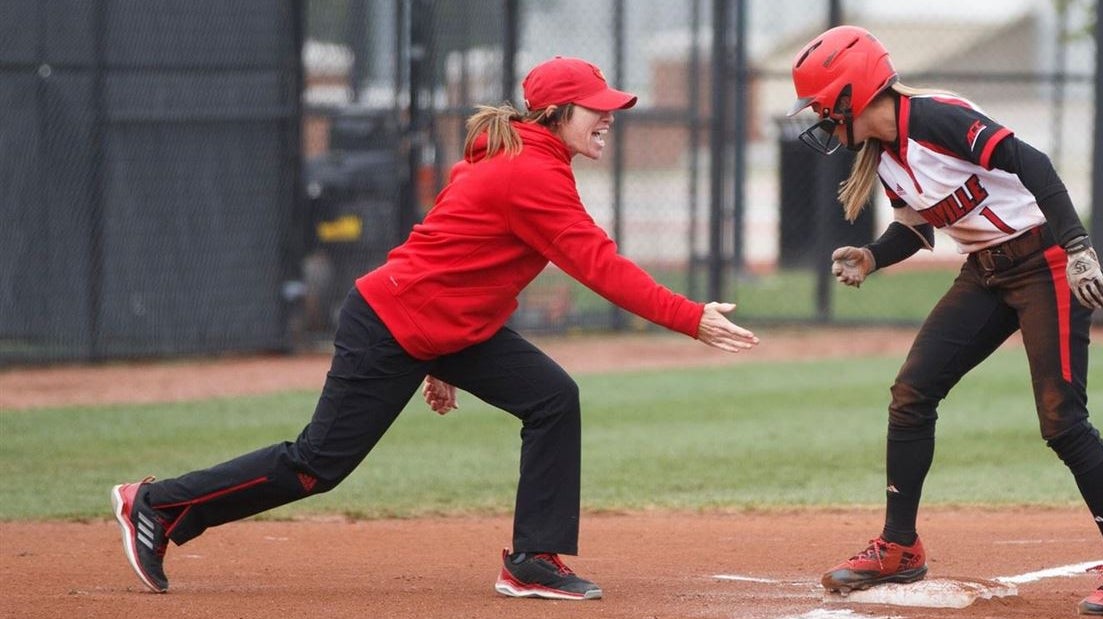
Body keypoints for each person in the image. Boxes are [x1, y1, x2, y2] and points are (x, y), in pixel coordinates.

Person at [111, 55, 759, 601]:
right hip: (390, 324)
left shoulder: (518, 156)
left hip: (437, 325)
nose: (609, 117)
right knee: (316, 465)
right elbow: (599, 265)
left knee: (552, 397)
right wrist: (689, 316)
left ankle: (532, 560)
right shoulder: (529, 170)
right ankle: (157, 503)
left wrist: (444, 353)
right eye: (597, 108)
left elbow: (456, 256)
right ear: (557, 113)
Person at [785, 26, 1103, 616]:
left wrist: (1079, 246)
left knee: (1062, 420)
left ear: (849, 94)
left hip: (1045, 263)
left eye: (821, 106)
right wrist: (873, 257)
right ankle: (900, 546)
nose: (820, 119)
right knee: (912, 393)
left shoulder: (934, 118)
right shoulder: (883, 153)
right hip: (986, 270)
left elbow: (1031, 162)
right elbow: (916, 228)